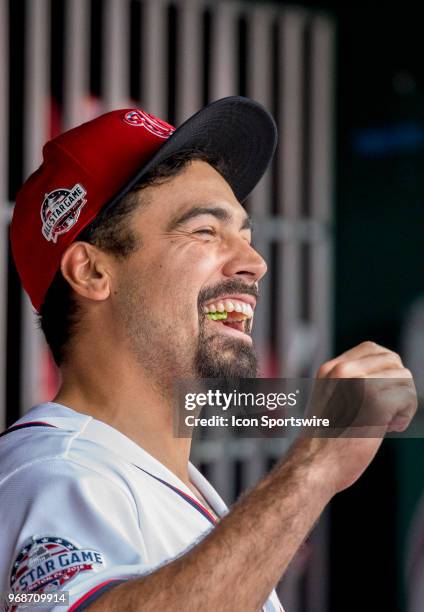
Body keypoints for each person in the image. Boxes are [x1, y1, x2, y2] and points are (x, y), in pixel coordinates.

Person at [1, 96, 416, 611]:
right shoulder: (53, 474)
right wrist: (314, 466)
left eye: (245, 235)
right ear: (91, 271)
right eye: (204, 231)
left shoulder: (154, 479)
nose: (254, 263)